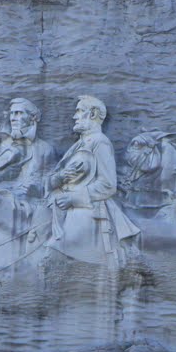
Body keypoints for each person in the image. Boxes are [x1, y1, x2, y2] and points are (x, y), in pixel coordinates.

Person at [46, 95, 141, 264]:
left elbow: (108, 185)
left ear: (93, 114)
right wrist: (60, 177)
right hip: (61, 206)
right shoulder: (78, 145)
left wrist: (73, 198)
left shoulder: (100, 142)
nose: (74, 116)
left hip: (88, 208)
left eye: (79, 111)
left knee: (57, 252)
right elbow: (56, 177)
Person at [0, 97, 55, 197]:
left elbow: (50, 184)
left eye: (18, 113)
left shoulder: (45, 149)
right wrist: (4, 174)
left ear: (32, 117)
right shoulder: (2, 145)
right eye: (11, 113)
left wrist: (34, 190)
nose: (13, 118)